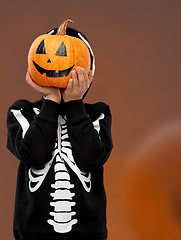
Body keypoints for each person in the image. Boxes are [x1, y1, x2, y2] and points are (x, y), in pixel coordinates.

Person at [6, 26, 113, 240]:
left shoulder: (97, 114)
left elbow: (92, 158)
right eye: (45, 53)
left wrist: (74, 103)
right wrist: (52, 100)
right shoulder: (23, 112)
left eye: (65, 55)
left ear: (88, 71)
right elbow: (34, 154)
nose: (52, 62)